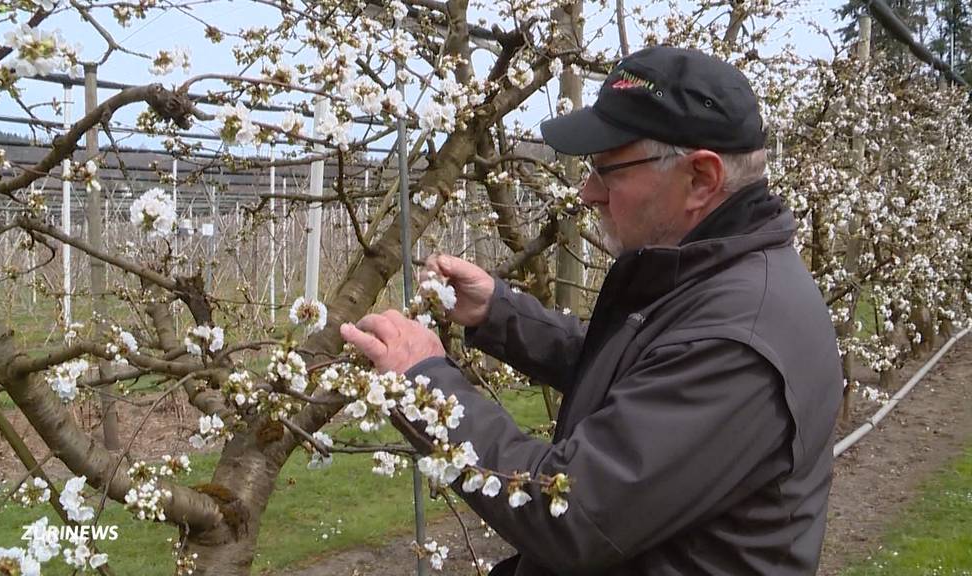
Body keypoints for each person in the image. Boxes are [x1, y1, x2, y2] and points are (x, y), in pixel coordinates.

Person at [341, 45, 843, 576]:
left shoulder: (739, 342)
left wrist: (424, 382)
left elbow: (573, 513)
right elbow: (639, 369)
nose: (587, 193)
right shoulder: (712, 280)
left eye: (607, 171)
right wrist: (499, 313)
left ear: (700, 179)